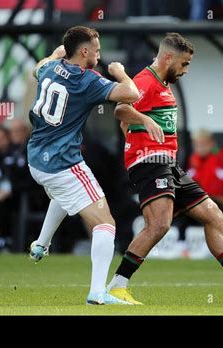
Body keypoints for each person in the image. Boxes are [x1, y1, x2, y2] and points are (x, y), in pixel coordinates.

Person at [108, 33, 223, 304]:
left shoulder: (163, 84)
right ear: (168, 58)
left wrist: (138, 125)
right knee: (159, 225)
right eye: (184, 64)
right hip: (150, 163)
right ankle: (116, 287)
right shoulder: (145, 81)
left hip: (168, 165)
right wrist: (143, 121)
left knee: (213, 215)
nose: (186, 70)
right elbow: (120, 109)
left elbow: (127, 120)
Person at [26, 26, 160, 305]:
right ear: (84, 51)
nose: (99, 55)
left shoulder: (51, 68)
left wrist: (54, 53)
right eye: (96, 50)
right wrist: (120, 72)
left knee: (65, 194)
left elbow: (36, 68)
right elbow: (131, 94)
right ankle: (98, 292)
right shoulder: (86, 80)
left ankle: (41, 243)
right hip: (63, 163)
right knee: (106, 224)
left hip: (37, 159)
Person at [187, 128, 223, 212]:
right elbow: (187, 183)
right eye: (196, 144)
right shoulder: (195, 159)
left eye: (203, 144)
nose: (200, 148)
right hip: (205, 197)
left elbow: (221, 188)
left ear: (212, 143)